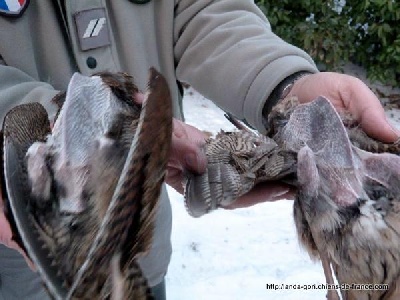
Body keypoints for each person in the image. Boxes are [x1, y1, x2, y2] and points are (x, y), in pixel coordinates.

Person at [0, 1, 398, 299]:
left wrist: (282, 84)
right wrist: (47, 131)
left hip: (143, 248)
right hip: (21, 265)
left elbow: (205, 8)